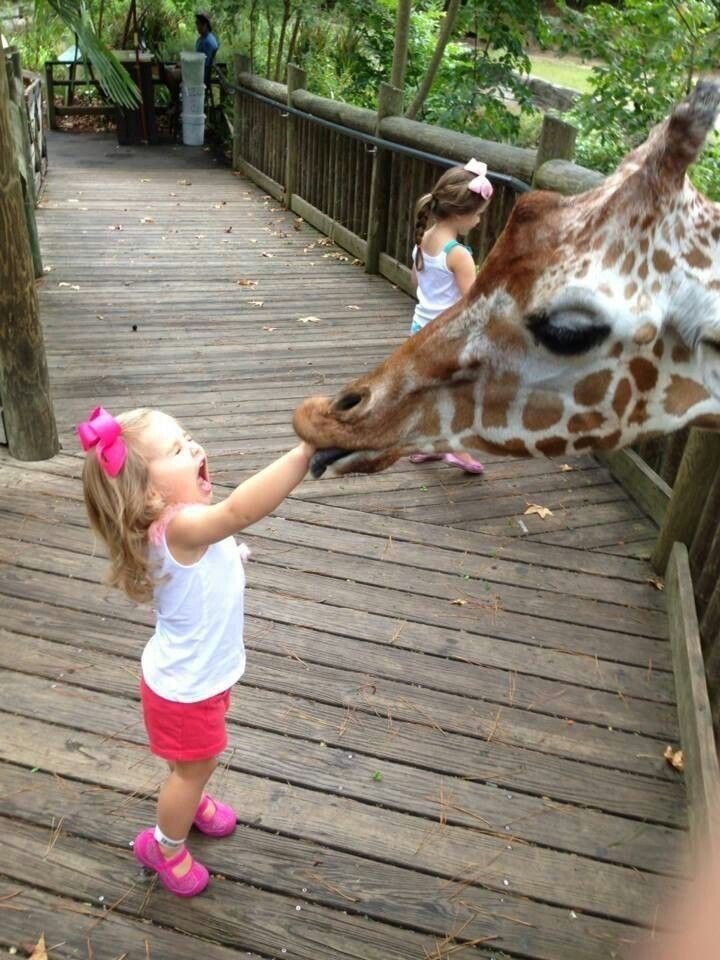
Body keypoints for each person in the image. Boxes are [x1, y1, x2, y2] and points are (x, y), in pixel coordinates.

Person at [78, 406, 314, 897]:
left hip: (195, 676)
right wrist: (304, 452)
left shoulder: (175, 526)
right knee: (197, 764)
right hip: (186, 689)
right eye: (179, 449)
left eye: (189, 437)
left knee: (192, 764)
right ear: (149, 492)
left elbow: (217, 542)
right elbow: (240, 511)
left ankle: (190, 794)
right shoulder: (184, 528)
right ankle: (163, 846)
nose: (197, 448)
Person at [408, 159, 493, 475]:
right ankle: (456, 450)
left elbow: (416, 283)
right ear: (461, 215)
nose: (480, 221)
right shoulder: (459, 254)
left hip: (421, 328)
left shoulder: (424, 238)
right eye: (479, 214)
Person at [195, 10, 219, 84]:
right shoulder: (202, 38)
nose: (197, 27)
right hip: (197, 70)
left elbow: (204, 64)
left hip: (201, 75)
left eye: (198, 24)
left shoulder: (208, 42)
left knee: (173, 75)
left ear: (205, 25)